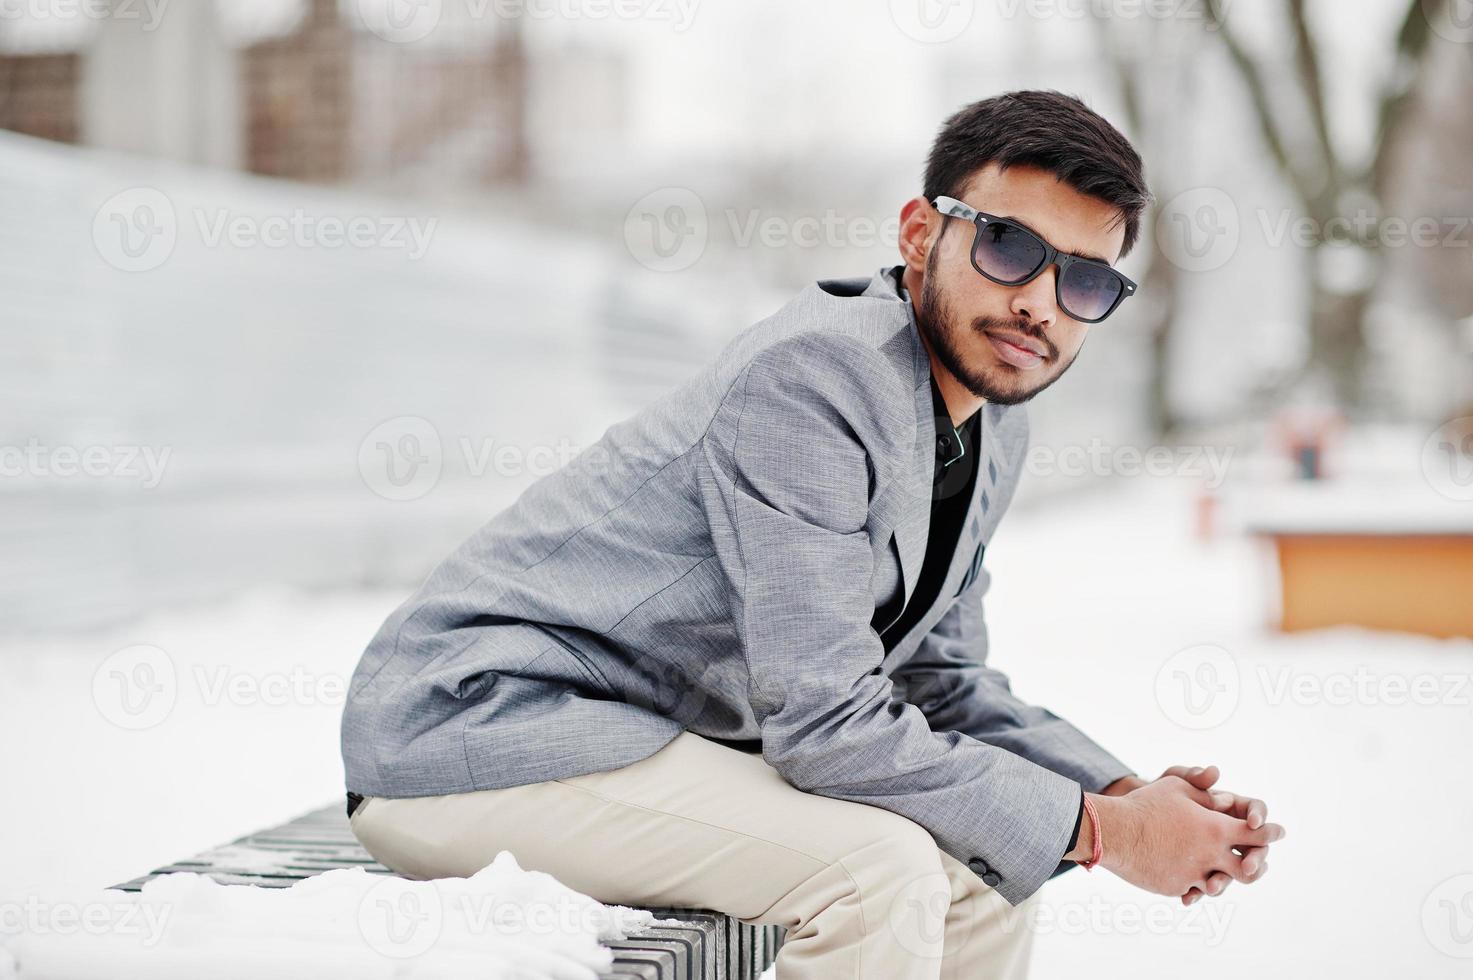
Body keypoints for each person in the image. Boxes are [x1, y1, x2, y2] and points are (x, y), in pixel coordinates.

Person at [340, 89, 1285, 979]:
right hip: (478, 738)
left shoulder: (992, 423)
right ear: (921, 233)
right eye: (1008, 249)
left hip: (634, 741)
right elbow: (825, 725)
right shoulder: (815, 381)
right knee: (877, 872)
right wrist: (1106, 835)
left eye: (1083, 280)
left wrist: (1123, 797)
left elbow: (938, 680)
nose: (1040, 302)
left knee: (984, 878)